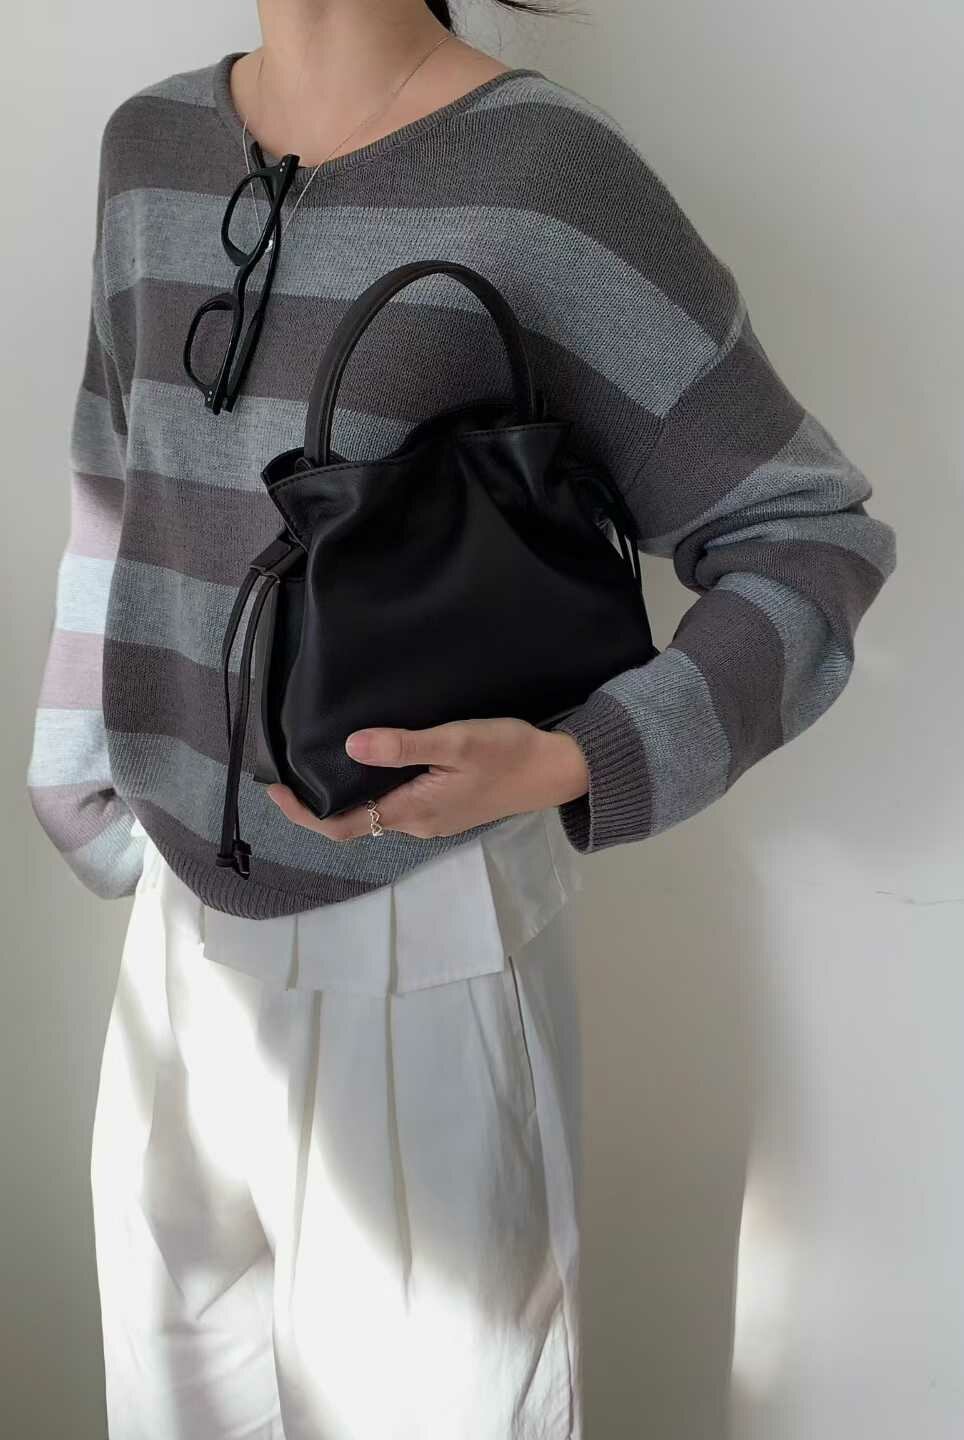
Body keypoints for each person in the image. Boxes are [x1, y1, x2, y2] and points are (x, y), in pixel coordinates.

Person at [25, 1, 897, 1436]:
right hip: (174, 959)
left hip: (424, 946)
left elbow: (808, 535)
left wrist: (581, 759)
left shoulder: (544, 174)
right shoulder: (153, 148)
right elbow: (116, 479)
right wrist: (77, 783)